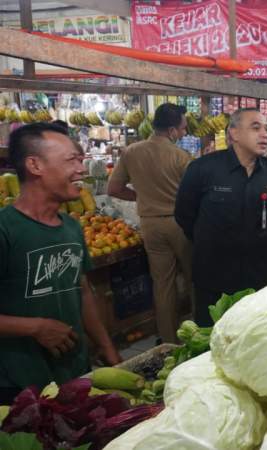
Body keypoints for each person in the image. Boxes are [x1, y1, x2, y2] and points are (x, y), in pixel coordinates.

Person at [0, 123, 120, 404]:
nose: (81, 169)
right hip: (18, 384)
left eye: (80, 159)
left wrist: (106, 347)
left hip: (73, 373)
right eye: (71, 160)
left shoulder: (71, 227)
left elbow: (83, 291)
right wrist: (34, 327)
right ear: (35, 165)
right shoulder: (6, 229)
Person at [175, 108, 267, 327]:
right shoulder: (202, 169)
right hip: (215, 275)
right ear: (233, 133)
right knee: (212, 338)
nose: (265, 134)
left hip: (260, 275)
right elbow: (184, 215)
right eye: (256, 127)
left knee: (257, 333)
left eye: (266, 128)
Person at [107, 103, 193, 344]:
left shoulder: (131, 152)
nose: (184, 133)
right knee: (193, 278)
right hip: (180, 224)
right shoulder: (181, 157)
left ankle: (167, 340)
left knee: (162, 285)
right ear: (172, 130)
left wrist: (140, 196)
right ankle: (199, 331)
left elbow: (113, 188)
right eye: (183, 129)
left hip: (150, 226)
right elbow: (194, 194)